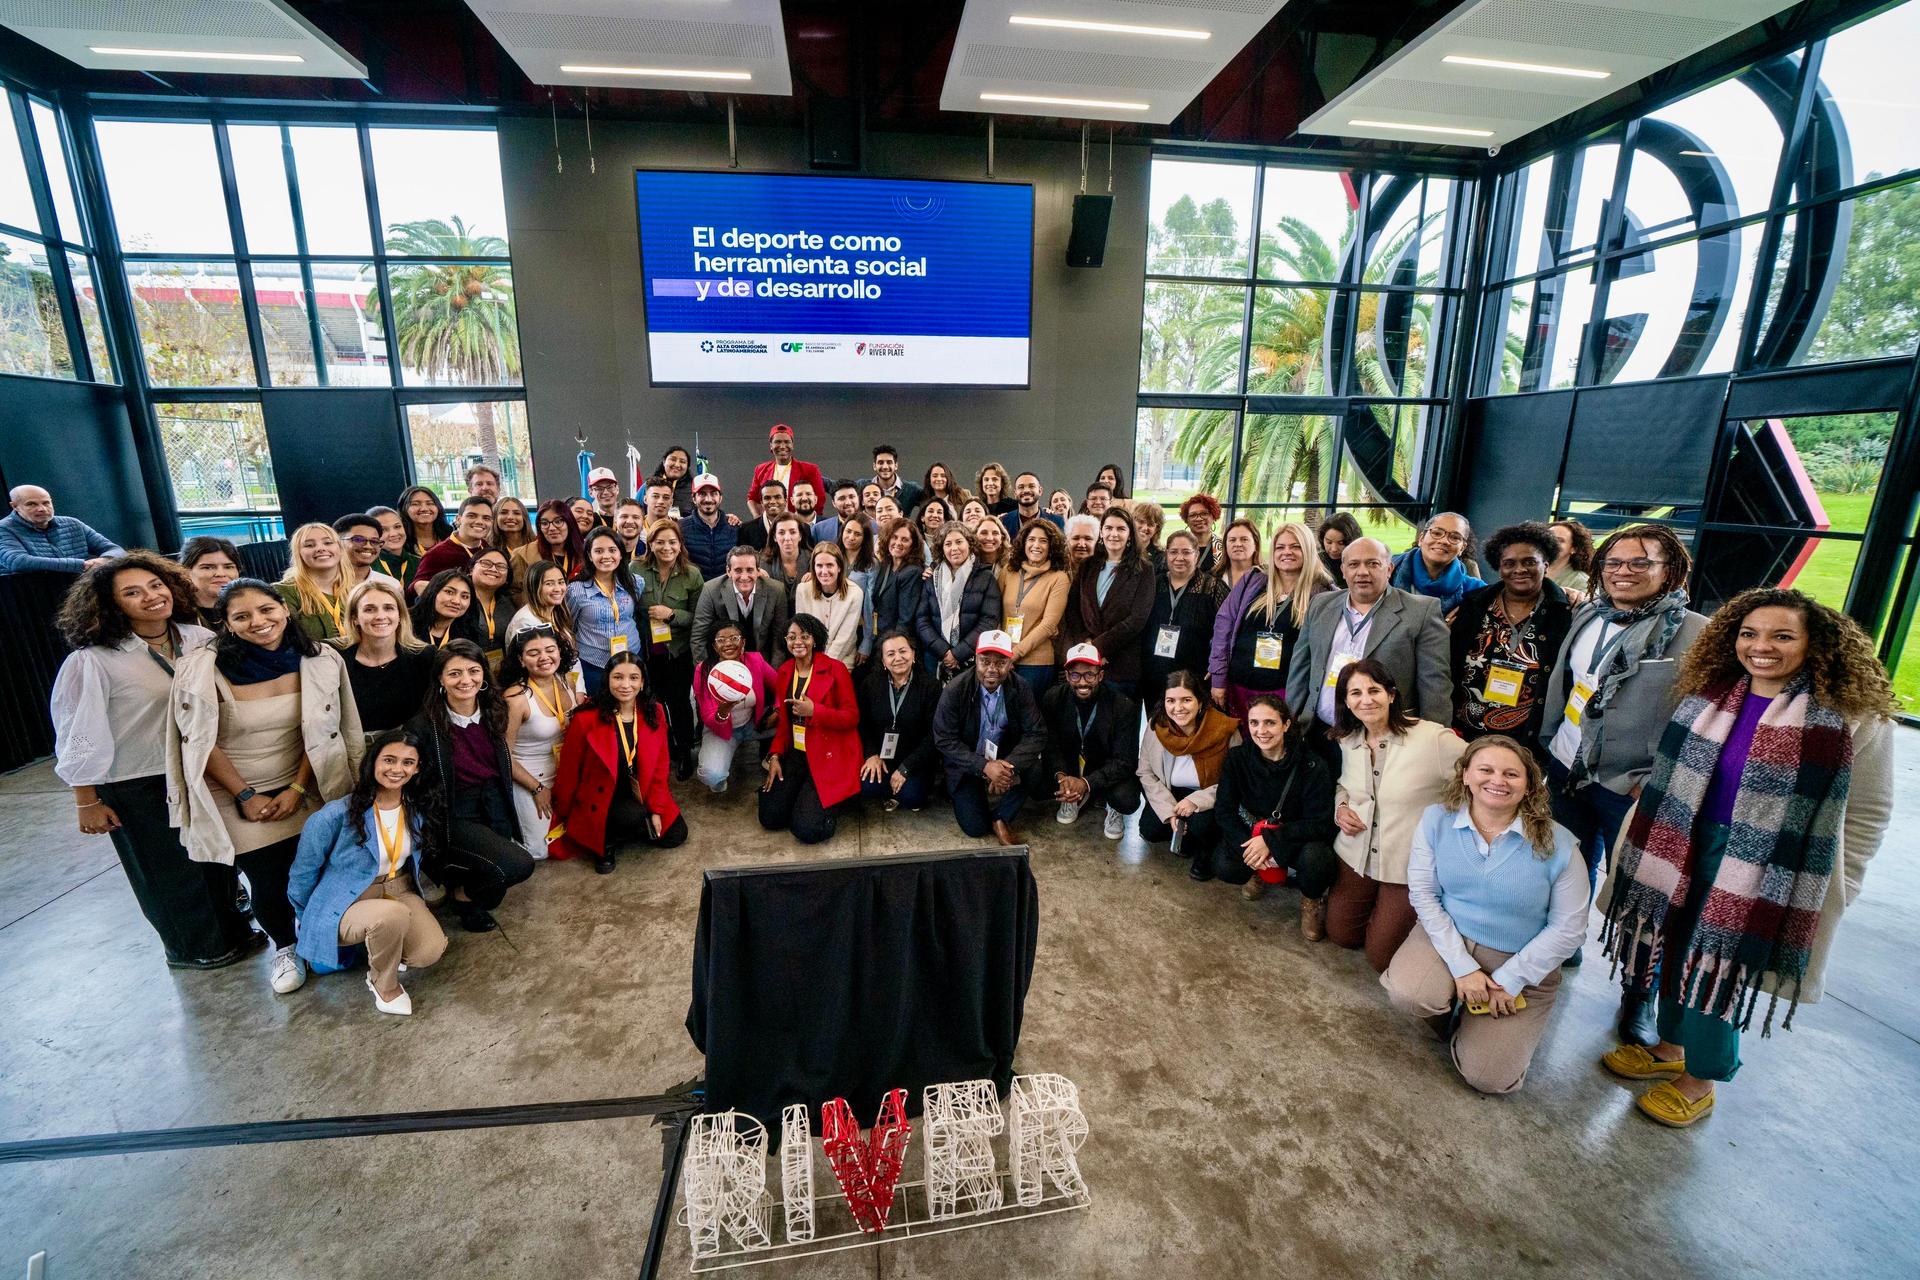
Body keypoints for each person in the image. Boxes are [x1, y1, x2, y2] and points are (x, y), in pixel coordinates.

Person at [1596, 589, 1895, 1127]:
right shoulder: (1711, 694)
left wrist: (1840, 882)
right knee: (1672, 943)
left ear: (1814, 644)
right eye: (1749, 634)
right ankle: (1670, 1049)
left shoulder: (1851, 717)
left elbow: (1870, 811)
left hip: (1766, 868)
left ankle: (1702, 1077)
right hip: (1683, 841)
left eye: (1783, 636)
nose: (1762, 648)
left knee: (1720, 966)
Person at [1538, 522, 1706, 1033]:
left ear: (1670, 570)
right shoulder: (1589, 613)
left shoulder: (1694, 633)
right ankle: (1566, 944)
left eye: (1641, 563)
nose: (1624, 572)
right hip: (1568, 765)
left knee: (1639, 889)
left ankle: (1640, 995)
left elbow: (1700, 717)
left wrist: (1655, 778)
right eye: (1615, 562)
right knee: (1569, 864)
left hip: (1632, 785)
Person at [52, 553, 250, 969]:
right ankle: (193, 947)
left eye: (155, 585)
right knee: (168, 871)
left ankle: (233, 932)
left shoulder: (198, 637)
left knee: (214, 858)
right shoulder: (94, 660)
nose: (150, 597)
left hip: (199, 769)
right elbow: (79, 732)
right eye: (132, 593)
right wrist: (85, 798)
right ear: (111, 604)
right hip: (137, 779)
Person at [169, 579, 364, 994]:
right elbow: (200, 743)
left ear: (285, 609)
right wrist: (246, 794)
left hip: (306, 777)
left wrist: (295, 788)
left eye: (266, 610)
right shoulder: (202, 668)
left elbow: (327, 730)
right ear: (226, 623)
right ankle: (286, 947)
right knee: (269, 876)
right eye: (242, 616)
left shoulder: (321, 658)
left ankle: (326, 934)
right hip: (232, 786)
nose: (258, 622)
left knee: (321, 864)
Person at [1382, 736, 1586, 1096]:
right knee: (1411, 994)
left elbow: (1568, 930)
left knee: (1489, 1078)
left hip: (1519, 961)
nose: (1498, 780)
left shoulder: (1560, 845)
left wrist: (1511, 979)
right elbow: (1425, 894)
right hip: (1448, 939)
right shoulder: (1436, 820)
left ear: (1529, 786)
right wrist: (1462, 966)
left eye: (1512, 774)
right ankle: (1449, 1004)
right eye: (1486, 770)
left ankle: (1477, 1024)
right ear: (1465, 776)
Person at [287, 729, 447, 1016]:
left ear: (417, 768)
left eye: (407, 763)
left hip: (398, 886)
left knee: (428, 951)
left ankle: (384, 942)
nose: (397, 769)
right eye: (389, 760)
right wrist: (311, 920)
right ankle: (383, 984)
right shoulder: (333, 816)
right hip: (347, 898)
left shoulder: (416, 809)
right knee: (391, 916)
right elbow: (301, 877)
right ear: (373, 762)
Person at [1326, 659, 1466, 966]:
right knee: (1341, 935)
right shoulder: (1348, 741)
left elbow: (1480, 771)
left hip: (1407, 864)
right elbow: (1343, 786)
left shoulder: (1433, 739)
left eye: (1374, 690)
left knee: (1381, 957)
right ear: (1346, 703)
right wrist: (1342, 807)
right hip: (1356, 854)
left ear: (1391, 695)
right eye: (1355, 693)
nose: (1366, 699)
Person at [1287, 537, 1453, 770]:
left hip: (1383, 740)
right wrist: (1291, 721)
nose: (1362, 572)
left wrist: (1432, 744)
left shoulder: (1421, 612)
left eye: (1373, 564)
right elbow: (1300, 666)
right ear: (1343, 570)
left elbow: (1435, 683)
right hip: (1320, 732)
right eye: (1354, 565)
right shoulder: (1321, 604)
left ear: (1389, 568)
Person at [408, 641, 537, 919]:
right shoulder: (423, 725)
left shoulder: (495, 710)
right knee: (518, 865)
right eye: (455, 673)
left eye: (473, 671)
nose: (466, 680)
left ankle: (466, 888)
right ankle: (461, 894)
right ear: (440, 679)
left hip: (494, 799)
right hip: (456, 809)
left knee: (495, 890)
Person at [549, 651, 689, 872]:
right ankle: (606, 841)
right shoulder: (586, 719)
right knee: (634, 815)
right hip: (601, 794)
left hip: (639, 789)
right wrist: (565, 813)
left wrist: (656, 809)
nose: (626, 685)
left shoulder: (655, 712)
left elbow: (661, 767)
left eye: (633, 678)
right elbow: (569, 770)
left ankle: (628, 824)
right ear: (607, 680)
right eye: (618, 677)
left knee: (676, 835)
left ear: (642, 683)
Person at [1451, 522, 1574, 755]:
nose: (1519, 569)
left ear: (1545, 565)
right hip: (1465, 729)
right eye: (1509, 563)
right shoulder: (1475, 603)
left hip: (1526, 737)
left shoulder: (1565, 611)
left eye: (1529, 562)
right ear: (1499, 568)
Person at [1210, 695, 1338, 894]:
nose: (1261, 731)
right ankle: (1257, 869)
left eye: (1270, 722)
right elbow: (1224, 810)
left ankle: (1311, 900)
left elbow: (1319, 823)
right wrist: (1250, 849)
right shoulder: (1237, 758)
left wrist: (1271, 841)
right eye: (1254, 723)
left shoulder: (1312, 765)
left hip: (1294, 834)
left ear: (1286, 725)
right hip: (1252, 831)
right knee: (1225, 866)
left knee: (1318, 862)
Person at [1210, 521, 1332, 723]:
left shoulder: (1322, 593)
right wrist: (1218, 677)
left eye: (1295, 547)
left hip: (1285, 695)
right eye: (1280, 547)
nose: (1287, 552)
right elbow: (1224, 625)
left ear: (1308, 550)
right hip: (1239, 688)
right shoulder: (1254, 580)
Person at [931, 630, 1045, 845]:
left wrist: (1007, 768)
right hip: (968, 762)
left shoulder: (1020, 687)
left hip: (1005, 757)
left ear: (1010, 662)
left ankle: (1002, 817)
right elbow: (944, 738)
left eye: (1000, 662)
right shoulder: (955, 690)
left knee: (1036, 768)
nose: (992, 670)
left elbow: (1036, 732)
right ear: (976, 659)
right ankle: (965, 793)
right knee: (975, 828)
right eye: (985, 662)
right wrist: (984, 766)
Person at [756, 615, 860, 844]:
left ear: (815, 639)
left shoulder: (836, 669)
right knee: (770, 818)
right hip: (798, 752)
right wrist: (774, 755)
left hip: (828, 754)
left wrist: (816, 711)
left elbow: (852, 718)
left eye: (805, 636)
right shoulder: (784, 671)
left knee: (806, 830)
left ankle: (833, 806)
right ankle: (805, 796)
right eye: (791, 637)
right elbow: (784, 723)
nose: (798, 642)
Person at [1136, 670, 1238, 870]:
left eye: (1186, 700)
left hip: (1209, 795)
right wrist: (1168, 811)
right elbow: (1145, 772)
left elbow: (1235, 781)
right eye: (1171, 701)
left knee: (1202, 825)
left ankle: (1206, 849)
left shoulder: (1225, 729)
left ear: (1200, 702)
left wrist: (1196, 801)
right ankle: (1186, 838)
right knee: (1150, 830)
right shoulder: (1156, 726)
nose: (1178, 708)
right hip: (1172, 792)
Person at [1042, 643, 1142, 839]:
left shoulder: (1123, 706)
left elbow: (1125, 761)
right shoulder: (1053, 698)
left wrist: (1087, 783)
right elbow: (1050, 745)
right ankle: (1070, 794)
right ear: (1067, 675)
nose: (1083, 682)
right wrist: (1062, 777)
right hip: (1070, 766)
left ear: (1100, 675)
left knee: (1126, 798)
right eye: (1075, 675)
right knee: (1036, 779)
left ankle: (1112, 808)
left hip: (1104, 769)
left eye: (1090, 674)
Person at [500, 625, 582, 855]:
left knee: (583, 831)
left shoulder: (566, 680)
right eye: (533, 653)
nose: (544, 658)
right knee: (540, 851)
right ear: (521, 660)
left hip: (566, 771)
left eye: (550, 650)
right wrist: (537, 789)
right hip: (530, 777)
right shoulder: (515, 698)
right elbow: (504, 754)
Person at [1060, 511, 1155, 698]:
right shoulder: (1088, 565)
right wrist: (1086, 642)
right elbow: (1073, 609)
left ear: (1130, 535)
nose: (1114, 534)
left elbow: (1137, 619)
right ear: (1101, 533)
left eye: (1121, 529)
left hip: (1122, 666)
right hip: (1085, 665)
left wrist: (1098, 647)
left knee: (1120, 724)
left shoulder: (1144, 569)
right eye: (1109, 528)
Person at [639, 521, 705, 776]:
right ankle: (664, 749)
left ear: (680, 545)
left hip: (678, 651)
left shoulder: (692, 574)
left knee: (679, 703)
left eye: (672, 542)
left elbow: (700, 618)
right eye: (660, 542)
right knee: (653, 703)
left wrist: (672, 615)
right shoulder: (637, 570)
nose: (667, 547)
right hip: (647, 652)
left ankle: (685, 751)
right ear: (651, 544)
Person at [1141, 529, 1224, 719]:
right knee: (1159, 731)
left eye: (1186, 552)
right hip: (1155, 676)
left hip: (1195, 678)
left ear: (1196, 554)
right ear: (1166, 554)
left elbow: (1227, 631)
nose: (1180, 557)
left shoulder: (1212, 587)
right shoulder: (1154, 584)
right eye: (1174, 552)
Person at [857, 630, 941, 812]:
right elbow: (862, 724)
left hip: (914, 759)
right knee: (866, 787)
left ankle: (899, 788)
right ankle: (893, 789)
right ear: (883, 662)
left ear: (913, 654)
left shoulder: (930, 686)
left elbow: (933, 735)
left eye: (903, 651)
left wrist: (906, 768)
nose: (898, 658)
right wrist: (871, 754)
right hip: (882, 756)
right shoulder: (870, 684)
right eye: (891, 654)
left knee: (913, 798)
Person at [340, 577, 433, 738]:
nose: (380, 616)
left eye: (389, 608)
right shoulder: (337, 658)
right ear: (355, 618)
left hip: (407, 746)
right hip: (352, 749)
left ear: (400, 615)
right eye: (369, 609)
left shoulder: (424, 656)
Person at [694, 620, 779, 794]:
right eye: (721, 640)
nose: (728, 644)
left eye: (734, 638)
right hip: (722, 731)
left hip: (753, 724)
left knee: (796, 719)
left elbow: (782, 686)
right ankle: (720, 772)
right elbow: (709, 718)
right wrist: (723, 711)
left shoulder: (755, 660)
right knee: (712, 775)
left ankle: (773, 757)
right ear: (714, 646)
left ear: (743, 642)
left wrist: (777, 711)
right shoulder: (704, 671)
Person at [917, 523, 1002, 681]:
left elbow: (989, 621)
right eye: (948, 544)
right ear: (942, 549)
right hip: (935, 658)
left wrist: (958, 653)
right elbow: (922, 620)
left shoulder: (985, 577)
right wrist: (944, 652)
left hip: (970, 660)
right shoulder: (932, 578)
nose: (954, 548)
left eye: (959, 542)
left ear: (969, 544)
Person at [567, 527, 645, 696]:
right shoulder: (576, 590)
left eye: (612, 550)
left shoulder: (635, 583)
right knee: (598, 711)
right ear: (589, 555)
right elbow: (569, 626)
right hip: (593, 663)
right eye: (599, 551)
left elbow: (634, 616)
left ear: (620, 553)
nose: (606, 556)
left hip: (631, 657)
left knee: (629, 708)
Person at [1000, 519, 1070, 699]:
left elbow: (1048, 625)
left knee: (1028, 718)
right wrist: (1002, 651)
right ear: (1023, 543)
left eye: (1043, 541)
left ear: (1052, 546)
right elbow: (994, 611)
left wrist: (1014, 654)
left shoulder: (1059, 578)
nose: (1036, 545)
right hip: (1002, 657)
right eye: (1031, 539)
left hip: (1036, 663)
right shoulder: (1008, 570)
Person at [692, 543, 791, 668]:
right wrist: (708, 673)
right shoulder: (710, 590)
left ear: (758, 571)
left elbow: (779, 637)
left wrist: (775, 675)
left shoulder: (776, 590)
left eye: (750, 570)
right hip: (722, 665)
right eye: (738, 570)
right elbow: (699, 637)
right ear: (728, 571)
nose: (744, 577)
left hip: (762, 664)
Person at [0, 483, 122, 574]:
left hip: (79, 592)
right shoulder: (4, 528)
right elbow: (17, 561)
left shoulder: (72, 524)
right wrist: (81, 565)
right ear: (15, 506)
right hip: (32, 595)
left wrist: (104, 560)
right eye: (31, 504)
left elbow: (116, 550)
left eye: (46, 503)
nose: (42, 509)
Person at [1389, 513, 1482, 617]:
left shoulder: (1475, 590)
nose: (1444, 541)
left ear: (1462, 548)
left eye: (1455, 537)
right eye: (1437, 533)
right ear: (1421, 539)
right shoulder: (1387, 570)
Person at [276, 523, 352, 640]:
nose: (320, 548)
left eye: (328, 543)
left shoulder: (356, 587)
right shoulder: (282, 591)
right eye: (309, 545)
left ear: (340, 549)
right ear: (298, 554)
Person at [795, 540, 865, 667]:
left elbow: (845, 639)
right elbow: (803, 633)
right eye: (819, 566)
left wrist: (821, 666)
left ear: (839, 567)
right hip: (809, 657)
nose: (824, 571)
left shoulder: (855, 593)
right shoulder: (802, 590)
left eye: (829, 565)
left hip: (842, 659)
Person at [411, 496, 493, 597]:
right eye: (472, 516)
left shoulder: (488, 549)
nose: (480, 521)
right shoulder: (437, 554)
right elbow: (414, 590)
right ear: (458, 519)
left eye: (486, 518)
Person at [511, 499, 585, 607]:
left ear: (569, 523)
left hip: (579, 616)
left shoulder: (584, 553)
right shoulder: (522, 555)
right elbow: (514, 592)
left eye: (558, 521)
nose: (551, 528)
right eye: (544, 523)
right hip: (541, 617)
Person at [749, 423, 826, 520]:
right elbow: (752, 498)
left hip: (799, 526)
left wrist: (808, 524)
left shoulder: (809, 469)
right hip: (771, 526)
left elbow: (819, 499)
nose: (782, 446)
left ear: (792, 445)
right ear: (771, 446)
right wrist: (758, 519)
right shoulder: (761, 469)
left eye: (786, 442)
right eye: (777, 442)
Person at [869, 517, 928, 645]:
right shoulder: (886, 565)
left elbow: (905, 619)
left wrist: (895, 646)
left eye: (905, 539)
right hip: (879, 636)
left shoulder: (912, 572)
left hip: (896, 642)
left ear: (913, 544)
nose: (898, 542)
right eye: (894, 537)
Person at [507, 559, 576, 654]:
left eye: (561, 582)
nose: (558, 589)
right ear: (534, 587)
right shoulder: (525, 622)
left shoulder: (555, 612)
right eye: (549, 584)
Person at [681, 473, 739, 580]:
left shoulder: (735, 527)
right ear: (694, 498)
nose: (708, 499)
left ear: (720, 497)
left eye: (713, 494)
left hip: (727, 592)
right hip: (695, 593)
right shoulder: (681, 528)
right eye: (702, 494)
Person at [181, 535, 241, 629]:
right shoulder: (177, 617)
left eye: (228, 567)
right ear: (186, 571)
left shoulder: (248, 606)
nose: (220, 574)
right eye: (207, 567)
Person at [410, 567, 477, 651]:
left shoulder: (468, 633)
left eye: (464, 596)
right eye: (449, 592)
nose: (456, 601)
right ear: (432, 592)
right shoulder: (405, 624)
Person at [467, 547, 512, 669]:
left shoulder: (507, 605)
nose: (493, 569)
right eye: (486, 563)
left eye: (501, 566)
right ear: (471, 569)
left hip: (500, 673)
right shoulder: (460, 600)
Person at [332, 513, 395, 596]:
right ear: (337, 542)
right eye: (358, 539)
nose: (368, 546)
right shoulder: (321, 582)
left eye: (374, 541)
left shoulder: (390, 585)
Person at [737, 479, 798, 553]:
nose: (772, 501)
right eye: (767, 498)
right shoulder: (746, 530)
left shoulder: (801, 527)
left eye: (777, 497)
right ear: (761, 502)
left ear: (785, 501)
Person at [760, 514, 810, 600]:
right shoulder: (764, 563)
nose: (787, 538)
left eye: (793, 532)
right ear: (775, 537)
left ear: (800, 536)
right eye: (781, 533)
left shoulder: (813, 561)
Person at [999, 472, 1063, 538]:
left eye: (1031, 486)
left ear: (1040, 491)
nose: (1026, 490)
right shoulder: (1004, 522)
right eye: (1021, 487)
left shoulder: (1057, 521)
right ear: (1015, 493)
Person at [398, 485, 451, 563]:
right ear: (404, 509)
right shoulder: (400, 541)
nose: (424, 509)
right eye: (415, 504)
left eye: (430, 503)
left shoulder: (450, 535)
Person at [837, 513, 878, 612]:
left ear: (865, 538)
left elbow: (869, 599)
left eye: (857, 534)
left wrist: (868, 627)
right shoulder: (832, 556)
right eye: (848, 531)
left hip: (856, 617)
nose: (851, 537)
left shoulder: (871, 564)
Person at [1179, 494, 1226, 579]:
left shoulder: (1224, 547)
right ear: (1186, 520)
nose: (1199, 519)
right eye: (1193, 515)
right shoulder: (1178, 546)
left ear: (1213, 516)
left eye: (1204, 514)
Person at [368, 506, 417, 584]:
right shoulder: (367, 566)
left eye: (397, 526)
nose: (393, 534)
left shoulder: (420, 563)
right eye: (383, 530)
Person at [1547, 517, 1594, 596]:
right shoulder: (1527, 570)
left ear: (1574, 549)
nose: (1550, 543)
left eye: (1560, 540)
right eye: (1548, 537)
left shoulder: (1582, 582)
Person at [869, 444, 921, 514]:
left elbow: (931, 502)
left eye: (889, 462)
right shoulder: (862, 486)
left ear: (896, 465)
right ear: (874, 466)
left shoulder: (910, 489)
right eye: (880, 462)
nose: (885, 467)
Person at [1318, 512, 1362, 588]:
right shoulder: (1316, 561)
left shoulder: (1363, 562)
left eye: (1341, 543)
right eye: (1329, 542)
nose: (1334, 549)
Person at [813, 479, 864, 544]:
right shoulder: (819, 530)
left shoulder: (874, 527)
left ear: (858, 498)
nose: (848, 502)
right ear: (833, 503)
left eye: (852, 497)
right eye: (842, 498)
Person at [1219, 517, 1262, 592]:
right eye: (1232, 540)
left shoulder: (1267, 578)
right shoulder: (1212, 579)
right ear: (1225, 546)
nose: (1238, 544)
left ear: (1256, 545)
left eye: (1244, 539)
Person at [655, 444, 696, 516]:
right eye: (673, 459)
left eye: (682, 461)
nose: (677, 465)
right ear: (664, 462)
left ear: (687, 466)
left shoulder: (694, 489)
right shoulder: (649, 486)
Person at [1130, 502, 1167, 574]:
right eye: (1141, 522)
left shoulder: (1161, 557)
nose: (1145, 528)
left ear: (1156, 529)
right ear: (1132, 522)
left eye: (1150, 524)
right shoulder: (1121, 548)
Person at [612, 497, 648, 563]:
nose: (630, 521)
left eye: (635, 517)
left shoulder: (649, 554)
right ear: (615, 521)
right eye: (624, 516)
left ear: (643, 522)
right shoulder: (604, 552)